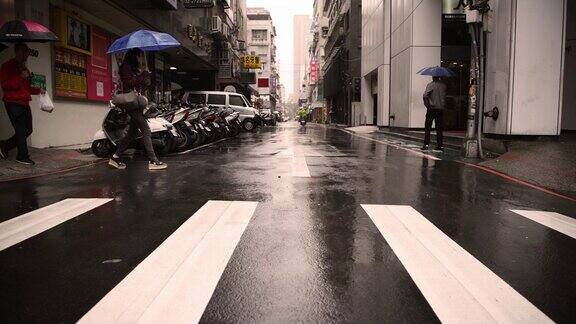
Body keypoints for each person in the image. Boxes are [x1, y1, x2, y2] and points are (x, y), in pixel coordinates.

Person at [108, 48, 167, 170]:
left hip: (137, 104)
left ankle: (115, 157)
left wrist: (146, 78)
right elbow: (129, 82)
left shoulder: (135, 69)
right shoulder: (125, 67)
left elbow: (141, 85)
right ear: (134, 56)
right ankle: (153, 160)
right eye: (140, 56)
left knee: (132, 133)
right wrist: (142, 76)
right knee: (146, 130)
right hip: (130, 103)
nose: (141, 58)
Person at [0, 43, 46, 165]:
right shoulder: (7, 66)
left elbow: (27, 88)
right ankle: (22, 156)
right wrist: (20, 77)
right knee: (20, 130)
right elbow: (5, 85)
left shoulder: (25, 69)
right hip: (12, 102)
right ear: (18, 51)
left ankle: (4, 145)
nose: (27, 54)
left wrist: (38, 91)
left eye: (27, 51)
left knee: (28, 130)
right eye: (25, 51)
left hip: (24, 103)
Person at [422, 76, 447, 151]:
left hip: (432, 109)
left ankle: (426, 145)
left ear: (433, 77)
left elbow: (425, 95)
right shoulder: (443, 86)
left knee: (428, 127)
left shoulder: (431, 85)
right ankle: (440, 146)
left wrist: (427, 105)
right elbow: (445, 97)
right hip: (440, 109)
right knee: (439, 128)